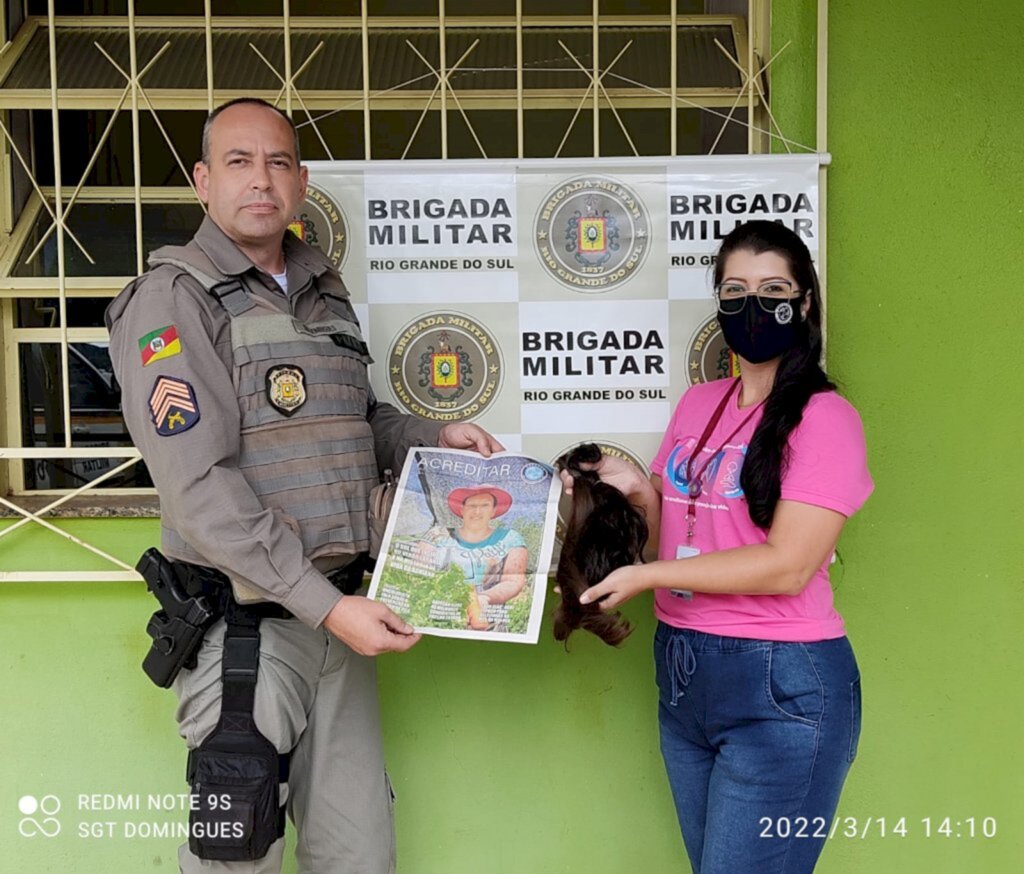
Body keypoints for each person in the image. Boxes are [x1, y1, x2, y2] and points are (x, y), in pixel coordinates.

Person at [105, 97, 502, 874]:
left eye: (279, 161)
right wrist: (329, 609)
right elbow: (199, 488)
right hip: (246, 635)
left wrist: (431, 436)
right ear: (203, 182)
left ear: (302, 180)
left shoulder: (320, 285)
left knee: (358, 856)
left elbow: (357, 419)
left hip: (342, 621)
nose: (262, 179)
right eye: (240, 162)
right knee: (235, 858)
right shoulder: (170, 299)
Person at [563, 220, 872, 873]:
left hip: (780, 682)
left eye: (773, 289)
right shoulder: (702, 402)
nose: (751, 305)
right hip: (683, 670)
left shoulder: (826, 418)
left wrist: (649, 579)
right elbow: (676, 518)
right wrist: (632, 488)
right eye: (734, 291)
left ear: (805, 303)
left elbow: (788, 566)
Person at [418, 485, 528, 629]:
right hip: (440, 617)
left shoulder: (511, 538)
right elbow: (419, 574)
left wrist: (483, 598)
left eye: (484, 505)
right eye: (472, 505)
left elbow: (513, 581)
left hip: (489, 622)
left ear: (494, 510)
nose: (477, 511)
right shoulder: (437, 535)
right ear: (462, 509)